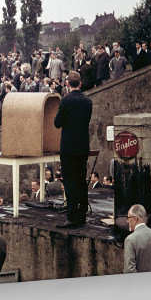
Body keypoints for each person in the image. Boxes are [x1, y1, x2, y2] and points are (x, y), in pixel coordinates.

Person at [54, 71, 92, 228]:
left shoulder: (65, 101)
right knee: (81, 180)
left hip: (69, 147)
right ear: (81, 84)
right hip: (82, 146)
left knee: (70, 181)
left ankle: (71, 216)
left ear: (67, 84)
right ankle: (82, 214)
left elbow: (57, 123)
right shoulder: (88, 101)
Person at [124, 204, 151, 273]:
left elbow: (129, 270)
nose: (127, 221)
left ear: (135, 219)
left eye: (128, 218)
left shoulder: (130, 240)